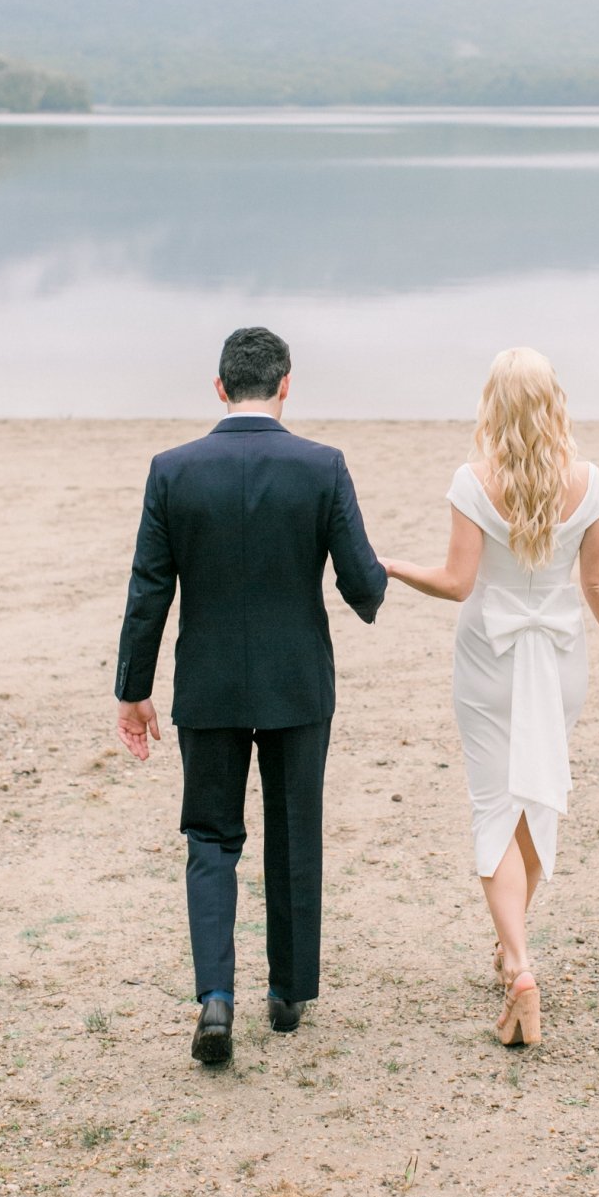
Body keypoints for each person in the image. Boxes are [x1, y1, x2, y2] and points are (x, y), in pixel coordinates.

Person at [114, 326, 387, 1067]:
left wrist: (132, 689)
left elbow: (149, 590)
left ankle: (215, 999)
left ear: (220, 387)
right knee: (294, 832)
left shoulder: (172, 470)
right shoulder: (321, 467)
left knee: (210, 839)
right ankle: (288, 995)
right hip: (298, 683)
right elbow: (363, 586)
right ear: (287, 384)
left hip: (207, 685)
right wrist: (374, 572)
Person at [383, 348, 599, 1046]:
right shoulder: (589, 483)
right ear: (555, 402)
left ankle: (519, 959)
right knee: (536, 795)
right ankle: (513, 948)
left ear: (492, 407)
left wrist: (391, 564)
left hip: (489, 660)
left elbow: (457, 582)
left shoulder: (473, 481)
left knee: (494, 802)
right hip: (558, 658)